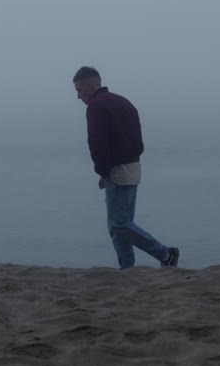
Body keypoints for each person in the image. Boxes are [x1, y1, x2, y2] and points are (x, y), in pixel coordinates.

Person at [72, 66, 179, 269]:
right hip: (133, 166)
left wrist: (102, 170)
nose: (78, 96)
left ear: (90, 86)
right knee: (120, 224)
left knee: (119, 224)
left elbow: (97, 143)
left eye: (79, 90)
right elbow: (138, 138)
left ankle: (165, 254)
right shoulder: (123, 101)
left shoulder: (96, 106)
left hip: (117, 170)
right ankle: (127, 267)